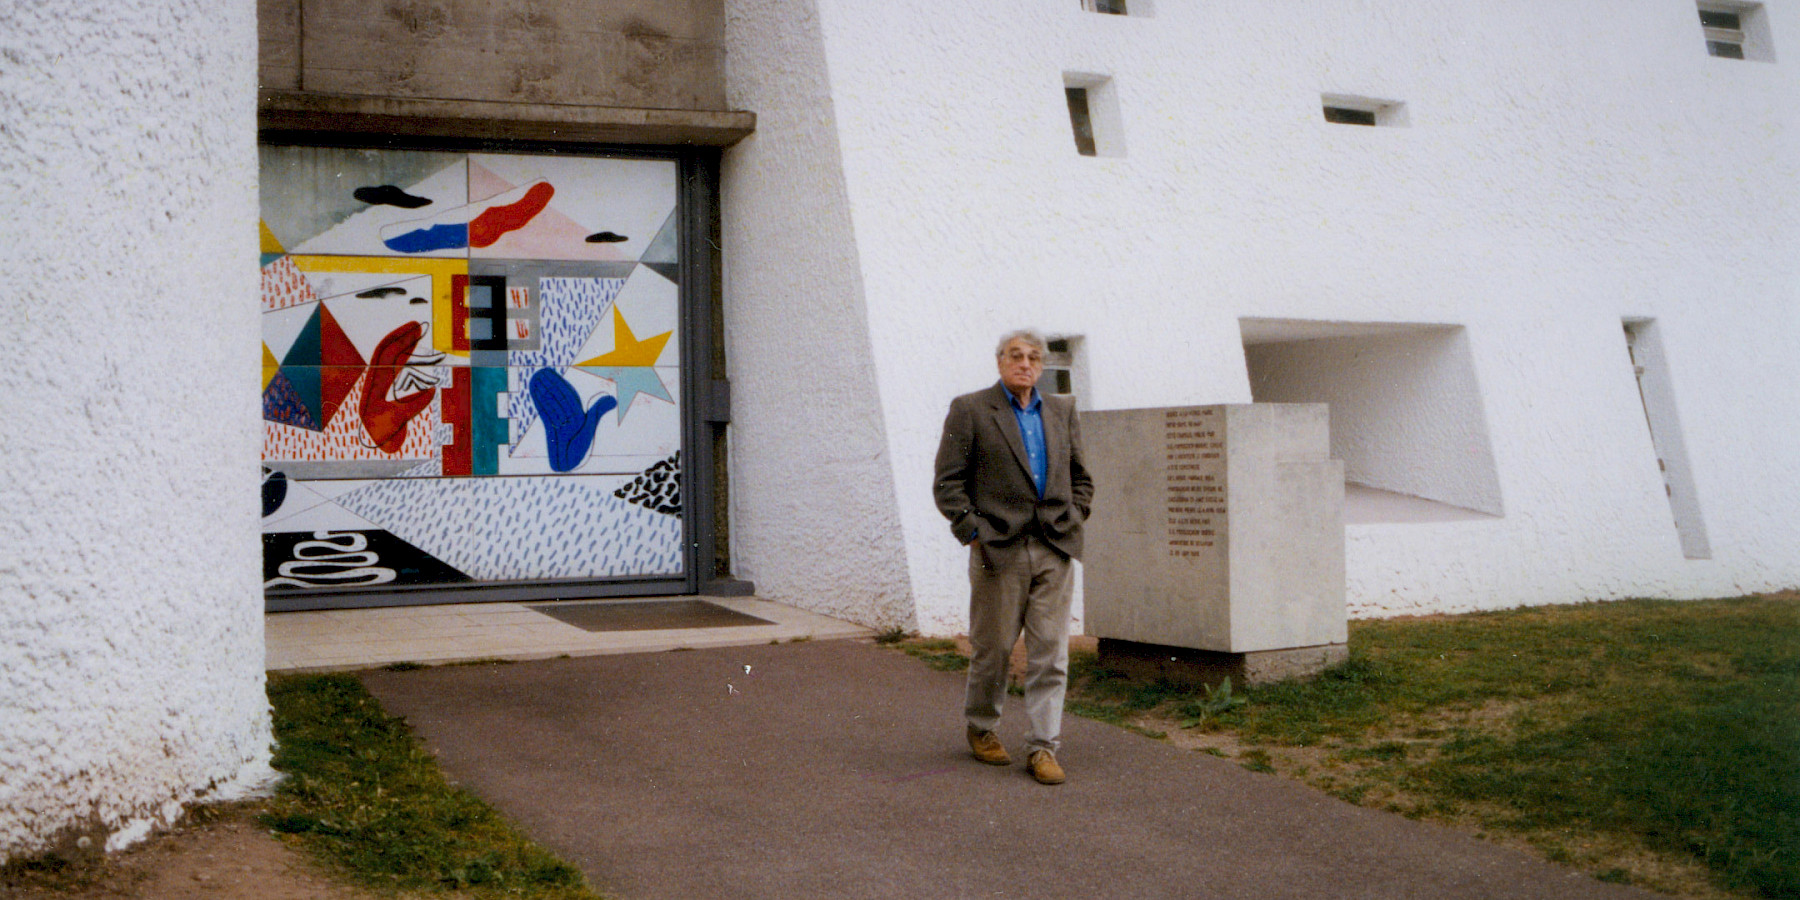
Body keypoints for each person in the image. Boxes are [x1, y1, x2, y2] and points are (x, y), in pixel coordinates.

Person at [932, 329, 1094, 785]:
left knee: (1050, 652)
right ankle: (982, 727)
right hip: (998, 550)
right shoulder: (971, 409)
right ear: (1000, 361)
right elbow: (948, 482)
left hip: (1055, 547)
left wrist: (1074, 516)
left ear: (1042, 367)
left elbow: (1082, 476)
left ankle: (1043, 748)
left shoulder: (1062, 410)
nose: (1026, 364)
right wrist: (973, 533)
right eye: (1016, 356)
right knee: (994, 649)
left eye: (1034, 358)